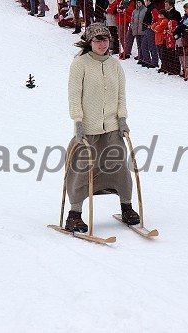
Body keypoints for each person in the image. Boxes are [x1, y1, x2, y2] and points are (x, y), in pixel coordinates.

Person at [65, 23, 140, 232]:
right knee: (81, 171)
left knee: (120, 169)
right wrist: (78, 121)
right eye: (97, 40)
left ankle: (127, 208)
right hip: (87, 130)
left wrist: (122, 118)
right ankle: (74, 215)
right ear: (89, 42)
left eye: (105, 39)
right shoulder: (80, 64)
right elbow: (74, 96)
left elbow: (121, 95)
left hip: (113, 128)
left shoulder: (115, 65)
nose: (102, 44)